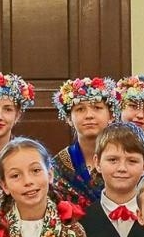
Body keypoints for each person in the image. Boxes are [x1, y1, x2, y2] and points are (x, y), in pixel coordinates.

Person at [51, 77, 120, 209]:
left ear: (111, 116)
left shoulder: (125, 159)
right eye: (80, 109)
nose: (89, 115)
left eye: (97, 108)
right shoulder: (59, 164)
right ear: (68, 118)